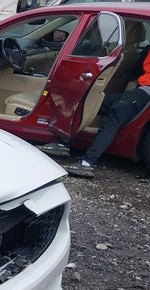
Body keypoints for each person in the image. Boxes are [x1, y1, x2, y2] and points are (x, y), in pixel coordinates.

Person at [40, 22, 150, 178]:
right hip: (140, 92)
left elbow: (137, 70)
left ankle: (87, 163)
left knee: (114, 117)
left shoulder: (145, 50)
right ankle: (63, 143)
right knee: (89, 104)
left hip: (144, 93)